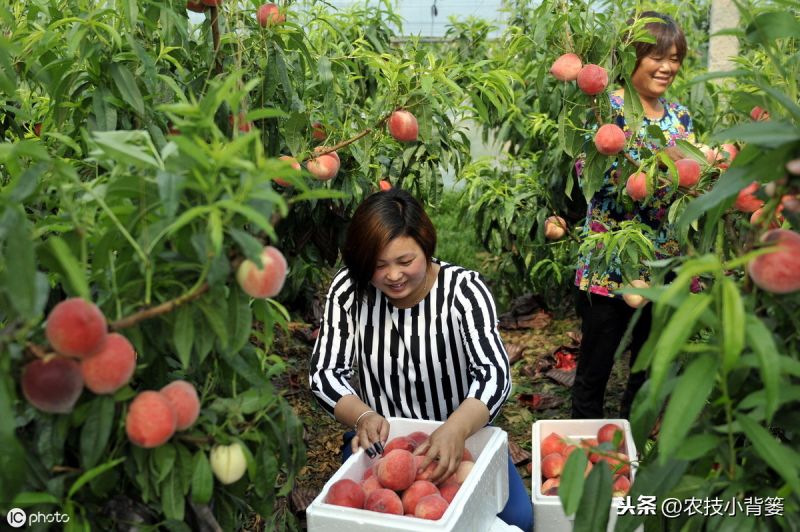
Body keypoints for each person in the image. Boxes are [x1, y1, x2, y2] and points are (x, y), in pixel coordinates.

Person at [309, 188, 533, 531]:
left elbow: (494, 374)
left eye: (405, 261)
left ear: (427, 248)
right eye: (378, 265)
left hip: (464, 433)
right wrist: (363, 416)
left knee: (518, 518)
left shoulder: (463, 291)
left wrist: (456, 429)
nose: (393, 276)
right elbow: (325, 373)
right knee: (375, 519)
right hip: (385, 440)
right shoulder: (351, 291)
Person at [572, 11, 694, 420]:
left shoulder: (680, 118)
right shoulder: (607, 110)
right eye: (657, 56)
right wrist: (664, 164)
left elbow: (691, 182)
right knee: (595, 366)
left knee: (647, 363)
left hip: (662, 262)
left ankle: (633, 442)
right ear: (633, 57)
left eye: (675, 57)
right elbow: (591, 178)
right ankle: (581, 449)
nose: (668, 67)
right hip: (611, 262)